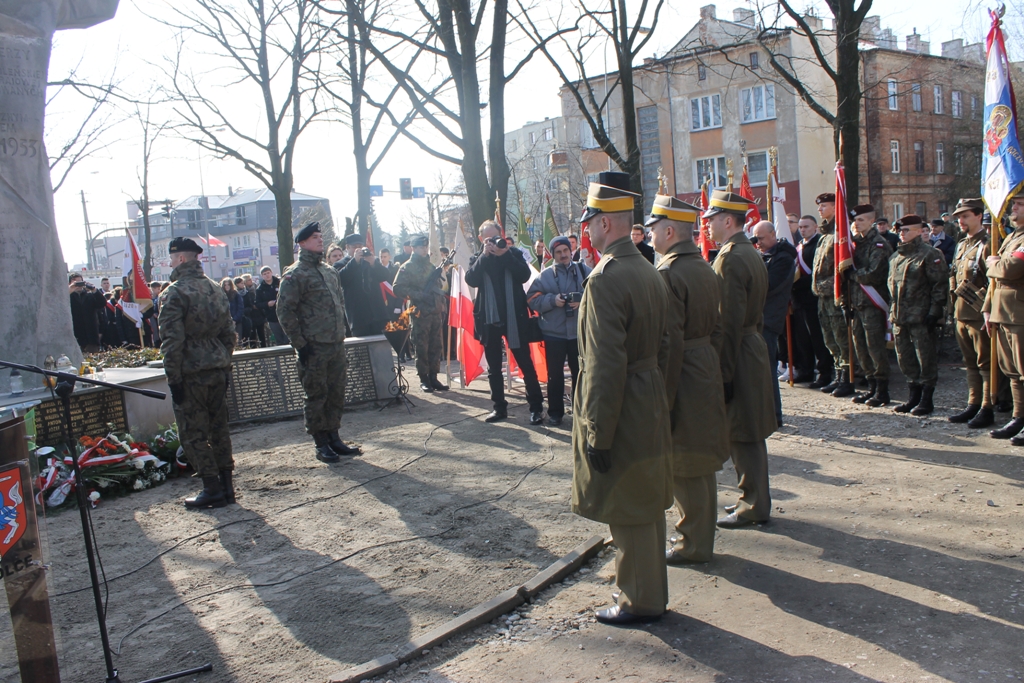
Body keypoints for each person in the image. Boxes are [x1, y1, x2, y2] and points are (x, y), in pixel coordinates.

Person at [572, 175, 671, 625]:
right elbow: (666, 343)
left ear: (606, 223)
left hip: (622, 400)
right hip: (647, 392)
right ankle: (648, 591)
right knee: (645, 498)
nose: (586, 229)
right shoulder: (648, 268)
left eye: (590, 221)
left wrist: (598, 431)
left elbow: (604, 365)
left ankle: (638, 599)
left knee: (627, 502)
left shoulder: (605, 279)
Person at [648, 194, 728, 565]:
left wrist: (662, 397)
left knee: (686, 460)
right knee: (701, 457)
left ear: (669, 232)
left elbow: (669, 341)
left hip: (683, 372)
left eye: (654, 229)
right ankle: (700, 534)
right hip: (704, 363)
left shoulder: (669, 272)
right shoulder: (703, 266)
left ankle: (693, 543)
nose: (650, 236)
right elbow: (719, 327)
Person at [703, 190, 777, 529]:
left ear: (728, 220)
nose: (707, 225)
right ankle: (753, 498)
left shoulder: (731, 258)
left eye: (712, 219)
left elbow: (728, 321)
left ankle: (753, 504)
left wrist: (724, 372)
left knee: (744, 431)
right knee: (749, 429)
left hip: (739, 351)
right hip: (751, 345)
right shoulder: (748, 252)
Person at [158, 237, 237, 509]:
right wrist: (223, 361)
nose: (171, 263)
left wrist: (173, 378)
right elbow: (229, 333)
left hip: (190, 372)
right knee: (219, 429)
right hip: (216, 368)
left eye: (172, 258)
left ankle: (211, 487)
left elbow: (172, 341)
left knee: (192, 433)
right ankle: (227, 487)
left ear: (180, 259)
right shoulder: (215, 288)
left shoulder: (174, 292)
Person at [276, 222, 361, 463]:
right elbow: (285, 312)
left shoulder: (329, 271)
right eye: (314, 237)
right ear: (302, 243)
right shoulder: (295, 274)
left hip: (334, 343)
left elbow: (339, 303)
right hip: (313, 346)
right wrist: (300, 344)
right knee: (316, 395)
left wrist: (341, 332)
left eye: (320, 237)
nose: (320, 240)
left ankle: (334, 436)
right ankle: (320, 442)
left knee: (336, 392)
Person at [466, 221, 545, 424]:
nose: (493, 242)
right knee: (494, 368)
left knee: (525, 364)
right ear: (481, 239)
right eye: (488, 239)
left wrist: (505, 255)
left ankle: (536, 408)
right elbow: (471, 280)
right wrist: (485, 256)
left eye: (495, 237)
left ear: (501, 236)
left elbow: (524, 275)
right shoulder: (478, 257)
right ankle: (499, 408)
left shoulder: (513, 253)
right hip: (489, 319)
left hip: (515, 318)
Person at [888, 215, 949, 415]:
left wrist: (934, 312)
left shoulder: (930, 254)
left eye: (906, 230)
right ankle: (913, 395)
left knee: (925, 357)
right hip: (900, 317)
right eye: (900, 230)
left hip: (921, 317)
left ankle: (926, 399)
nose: (902, 234)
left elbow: (939, 285)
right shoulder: (896, 257)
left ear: (918, 231)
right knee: (904, 357)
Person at [526, 235, 590, 425]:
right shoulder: (545, 276)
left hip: (578, 332)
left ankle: (581, 410)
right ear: (553, 255)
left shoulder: (584, 270)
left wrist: (583, 300)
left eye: (566, 250)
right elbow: (532, 300)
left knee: (580, 373)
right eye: (559, 252)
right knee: (554, 376)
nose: (563, 255)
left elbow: (599, 291)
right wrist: (553, 300)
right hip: (554, 334)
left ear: (571, 251)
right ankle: (555, 413)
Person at [948, 198, 994, 427]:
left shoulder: (988, 244)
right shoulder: (962, 244)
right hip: (961, 313)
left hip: (978, 314)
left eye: (965, 216)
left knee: (985, 363)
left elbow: (993, 282)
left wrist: (987, 309)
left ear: (978, 216)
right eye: (958, 217)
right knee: (970, 362)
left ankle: (987, 406)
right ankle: (973, 403)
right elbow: (954, 275)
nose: (960, 221)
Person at [984, 194, 1024, 443]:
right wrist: (988, 309)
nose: (1013, 208)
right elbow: (997, 280)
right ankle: (1018, 416)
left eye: (1019, 204)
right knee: (1012, 371)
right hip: (1003, 312)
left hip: (1020, 313)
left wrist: (993, 263)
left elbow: (1010, 269)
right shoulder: (1011, 237)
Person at [847, 204, 894, 407]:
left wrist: (851, 274)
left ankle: (882, 390)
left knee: (875, 346)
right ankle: (871, 386)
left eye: (861, 220)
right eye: (854, 221)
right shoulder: (856, 243)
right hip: (857, 302)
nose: (856, 224)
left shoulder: (879, 244)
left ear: (871, 221)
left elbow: (873, 274)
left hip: (873, 302)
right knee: (860, 346)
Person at [393, 234, 449, 392]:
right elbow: (397, 288)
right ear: (413, 248)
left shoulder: (431, 266)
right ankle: (424, 378)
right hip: (419, 312)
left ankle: (434, 377)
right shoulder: (407, 267)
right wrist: (418, 295)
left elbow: (439, 287)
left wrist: (441, 305)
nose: (424, 250)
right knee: (421, 345)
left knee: (436, 345)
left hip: (434, 311)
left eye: (426, 247)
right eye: (421, 247)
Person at [753, 220, 796, 427]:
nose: (758, 243)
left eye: (761, 238)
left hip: (769, 319)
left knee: (768, 370)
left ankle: (775, 416)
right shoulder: (766, 255)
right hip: (761, 317)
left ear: (773, 235)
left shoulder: (783, 258)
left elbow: (768, 285)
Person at [811, 192, 854, 397]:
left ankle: (847, 378)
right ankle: (838, 375)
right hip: (823, 296)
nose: (820, 210)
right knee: (830, 338)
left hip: (836, 295)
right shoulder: (825, 236)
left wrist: (831, 287)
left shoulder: (841, 233)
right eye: (819, 206)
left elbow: (844, 268)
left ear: (835, 207)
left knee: (841, 338)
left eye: (824, 206)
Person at [792, 215, 830, 385]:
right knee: (802, 338)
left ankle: (824, 372)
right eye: (800, 227)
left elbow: (818, 273)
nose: (802, 230)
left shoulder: (819, 245)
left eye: (806, 226)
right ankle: (805, 370)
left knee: (817, 338)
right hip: (798, 299)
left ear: (815, 227)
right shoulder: (799, 246)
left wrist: (796, 283)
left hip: (813, 298)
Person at [334, 233, 390, 337]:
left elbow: (385, 276)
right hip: (358, 318)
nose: (358, 249)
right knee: (361, 346)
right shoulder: (340, 264)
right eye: (354, 247)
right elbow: (340, 279)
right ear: (347, 247)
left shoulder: (371, 261)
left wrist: (373, 263)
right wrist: (354, 261)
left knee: (382, 345)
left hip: (378, 315)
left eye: (360, 246)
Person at [69, 273, 106, 352]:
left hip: (91, 336)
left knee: (92, 357)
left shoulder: (90, 295)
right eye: (76, 283)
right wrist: (69, 291)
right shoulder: (68, 297)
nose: (78, 285)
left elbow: (102, 304)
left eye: (80, 282)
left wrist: (94, 290)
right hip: (75, 336)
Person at [255, 266, 289, 346]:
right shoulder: (260, 289)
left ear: (271, 273)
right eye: (264, 274)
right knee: (278, 339)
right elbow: (258, 304)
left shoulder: (280, 283)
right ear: (262, 276)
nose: (267, 275)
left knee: (287, 338)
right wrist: (267, 304)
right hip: (272, 316)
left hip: (285, 313)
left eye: (268, 273)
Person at [242, 273, 267, 347]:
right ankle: (253, 349)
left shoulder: (257, 288)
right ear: (245, 282)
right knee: (252, 335)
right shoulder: (244, 292)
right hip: (250, 315)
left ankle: (264, 348)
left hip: (259, 314)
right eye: (249, 280)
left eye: (251, 279)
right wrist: (251, 306)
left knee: (261, 334)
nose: (251, 281)